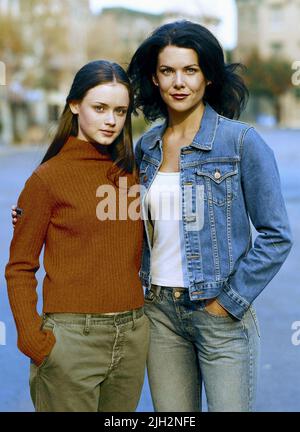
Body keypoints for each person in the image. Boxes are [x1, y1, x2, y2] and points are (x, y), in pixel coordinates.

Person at [127, 20, 293, 412]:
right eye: (168, 71)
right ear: (155, 77)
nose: (178, 82)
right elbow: (122, 221)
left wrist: (227, 302)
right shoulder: (146, 147)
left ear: (208, 77)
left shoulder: (240, 142)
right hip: (159, 313)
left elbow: (276, 235)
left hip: (219, 314)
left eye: (191, 70)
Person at [6, 60, 149, 412]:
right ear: (74, 105)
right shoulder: (47, 179)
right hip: (71, 340)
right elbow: (20, 267)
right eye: (99, 108)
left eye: (120, 110)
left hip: (132, 335)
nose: (111, 120)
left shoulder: (133, 172)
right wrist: (32, 339)